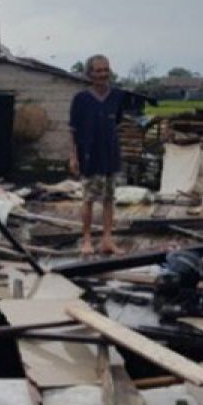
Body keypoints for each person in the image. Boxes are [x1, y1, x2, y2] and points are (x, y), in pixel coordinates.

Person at [69, 54, 123, 255]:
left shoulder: (116, 97)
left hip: (110, 153)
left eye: (105, 70)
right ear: (90, 74)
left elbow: (116, 123)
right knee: (89, 198)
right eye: (98, 71)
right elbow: (73, 130)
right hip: (89, 155)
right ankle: (87, 240)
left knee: (109, 198)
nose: (102, 74)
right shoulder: (81, 99)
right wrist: (74, 156)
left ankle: (107, 239)